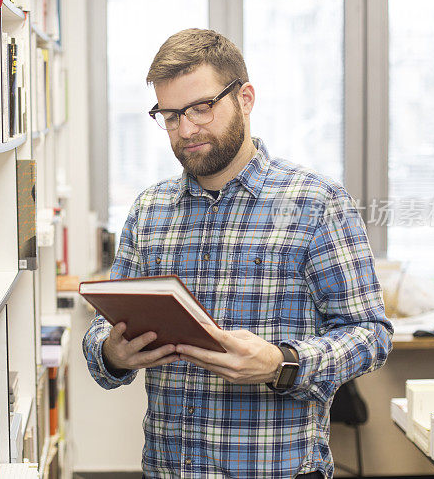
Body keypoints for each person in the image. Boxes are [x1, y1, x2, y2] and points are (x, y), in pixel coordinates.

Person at [82, 28, 393, 479]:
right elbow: (100, 335)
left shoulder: (317, 202)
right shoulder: (148, 211)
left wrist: (282, 363)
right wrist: (112, 353)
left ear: (245, 98)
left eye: (201, 108)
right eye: (169, 116)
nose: (185, 130)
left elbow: (371, 334)